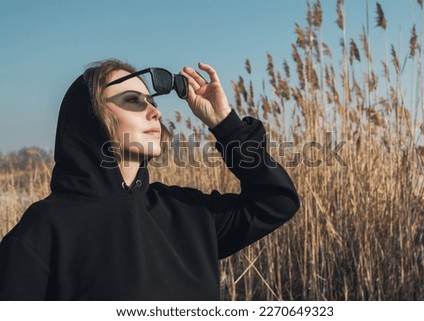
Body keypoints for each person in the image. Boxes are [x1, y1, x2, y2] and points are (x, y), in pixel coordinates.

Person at [0, 59, 299, 300]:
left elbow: (275, 202)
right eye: (133, 100)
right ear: (90, 117)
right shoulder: (43, 231)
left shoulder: (187, 213)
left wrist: (226, 124)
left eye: (151, 101)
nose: (155, 112)